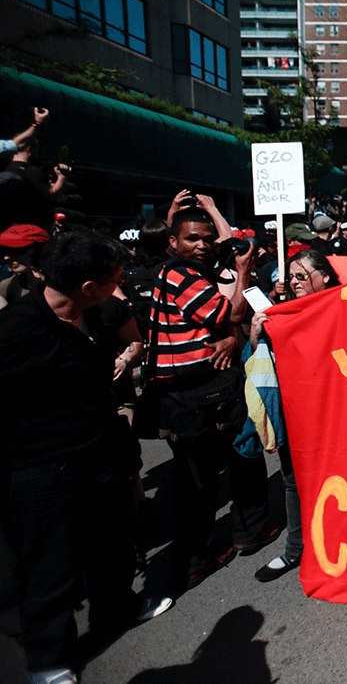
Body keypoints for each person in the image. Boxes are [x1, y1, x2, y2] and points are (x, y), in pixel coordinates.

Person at [0, 231, 172, 684]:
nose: (120, 287)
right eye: (114, 280)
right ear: (87, 286)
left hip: (103, 458)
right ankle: (50, 659)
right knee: (50, 568)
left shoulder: (96, 315)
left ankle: (117, 609)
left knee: (113, 546)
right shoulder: (15, 330)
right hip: (42, 472)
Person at [147, 208, 275, 591]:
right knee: (201, 481)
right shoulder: (180, 275)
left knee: (236, 459)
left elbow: (217, 322)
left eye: (207, 238)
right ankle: (200, 557)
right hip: (194, 395)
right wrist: (246, 270)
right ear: (173, 242)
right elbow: (231, 311)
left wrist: (226, 337)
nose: (202, 245)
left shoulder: (187, 271)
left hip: (202, 390)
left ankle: (248, 532)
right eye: (192, 239)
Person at [247, 249, 342, 583]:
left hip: (335, 410)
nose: (294, 282)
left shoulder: (343, 306)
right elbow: (262, 361)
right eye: (291, 277)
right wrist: (256, 335)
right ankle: (295, 549)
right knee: (292, 479)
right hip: (293, 410)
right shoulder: (279, 313)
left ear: (325, 277)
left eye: (302, 276)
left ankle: (343, 546)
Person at [0, 223, 50, 309]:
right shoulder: (8, 286)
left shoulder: (63, 285)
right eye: (3, 251)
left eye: (15, 250)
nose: (6, 257)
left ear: (41, 250)